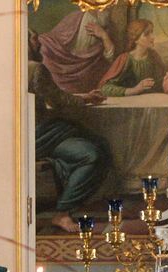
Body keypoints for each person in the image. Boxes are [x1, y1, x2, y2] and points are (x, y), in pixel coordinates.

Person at [31, 37, 111, 234]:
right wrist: (85, 100)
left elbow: (53, 96)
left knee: (90, 145)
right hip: (40, 136)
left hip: (32, 137)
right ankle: (63, 212)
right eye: (34, 40)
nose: (39, 44)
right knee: (95, 152)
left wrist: (83, 96)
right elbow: (58, 101)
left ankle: (64, 207)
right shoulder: (34, 68)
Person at [34, 7, 118, 95]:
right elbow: (54, 38)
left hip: (85, 72)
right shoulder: (74, 17)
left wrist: (104, 35)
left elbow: (110, 58)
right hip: (62, 62)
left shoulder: (106, 30)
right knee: (43, 48)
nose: (107, 11)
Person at [99, 19, 166, 97]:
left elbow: (163, 81)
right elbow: (104, 88)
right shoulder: (124, 59)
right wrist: (135, 90)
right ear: (136, 39)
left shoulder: (154, 56)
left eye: (152, 32)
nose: (152, 37)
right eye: (147, 34)